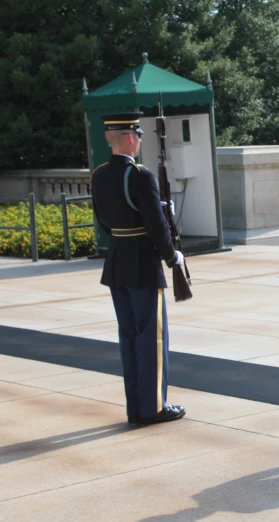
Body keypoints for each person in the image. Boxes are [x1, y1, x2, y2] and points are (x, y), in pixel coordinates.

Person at [91, 112, 186, 425]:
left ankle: (136, 406)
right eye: (139, 135)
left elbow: (105, 222)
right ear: (130, 137)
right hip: (143, 263)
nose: (141, 140)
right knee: (151, 339)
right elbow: (156, 226)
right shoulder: (140, 175)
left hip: (117, 261)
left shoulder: (99, 175)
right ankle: (153, 407)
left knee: (129, 337)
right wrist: (172, 256)